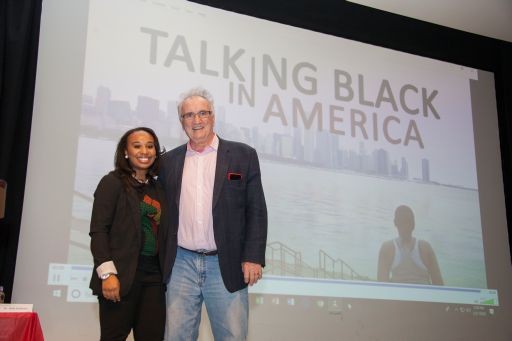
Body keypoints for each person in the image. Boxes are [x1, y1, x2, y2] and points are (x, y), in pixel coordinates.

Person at [160, 87, 268, 340]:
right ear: (181, 121)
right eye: (189, 115)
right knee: (176, 336)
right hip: (180, 265)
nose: (196, 121)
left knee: (231, 335)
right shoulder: (168, 162)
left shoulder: (243, 155)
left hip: (226, 264)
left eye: (202, 113)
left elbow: (256, 209)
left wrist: (253, 257)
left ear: (213, 116)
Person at [89, 127, 172, 340]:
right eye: (137, 146)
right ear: (125, 152)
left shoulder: (158, 188)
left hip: (153, 279)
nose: (144, 151)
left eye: (150, 146)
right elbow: (99, 230)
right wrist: (107, 275)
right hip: (120, 277)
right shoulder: (112, 182)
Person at [377, 205, 444, 285]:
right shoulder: (388, 248)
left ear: (395, 223)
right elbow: (439, 284)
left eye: (408, 222)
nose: (406, 226)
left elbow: (382, 285)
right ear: (414, 224)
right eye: (403, 222)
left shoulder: (425, 248)